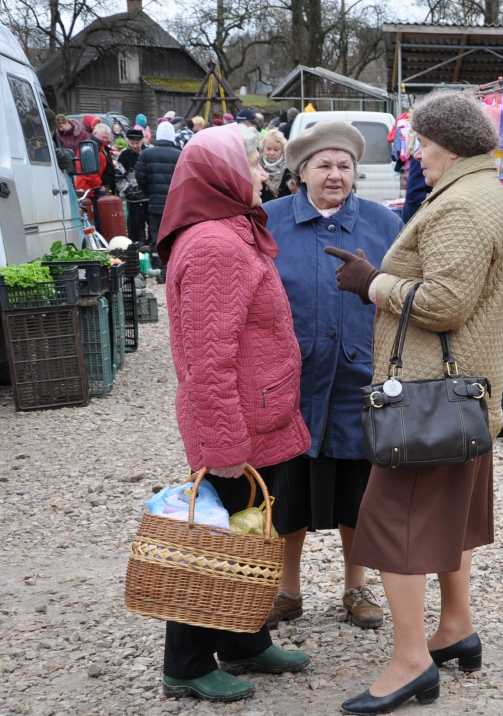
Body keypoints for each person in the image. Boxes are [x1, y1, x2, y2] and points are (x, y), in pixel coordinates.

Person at [326, 89, 503, 715]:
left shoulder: (462, 204)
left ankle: (411, 662)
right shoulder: (479, 191)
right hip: (459, 400)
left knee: (393, 524)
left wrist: (372, 283)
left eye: (424, 144)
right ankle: (455, 627)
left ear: (451, 146)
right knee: (449, 519)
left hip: (428, 403)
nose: (416, 155)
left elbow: (445, 303)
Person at [156, 123, 312, 704]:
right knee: (214, 545)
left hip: (258, 419)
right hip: (238, 429)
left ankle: (245, 640)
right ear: (222, 174)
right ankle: (187, 664)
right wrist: (223, 447)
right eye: (254, 165)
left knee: (247, 537)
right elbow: (207, 361)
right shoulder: (214, 246)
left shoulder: (230, 233)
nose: (265, 175)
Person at [263, 121, 403, 633]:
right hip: (291, 380)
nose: (335, 174)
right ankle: (287, 589)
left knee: (357, 492)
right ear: (301, 173)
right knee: (287, 489)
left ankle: (355, 586)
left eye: (345, 165)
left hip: (356, 379)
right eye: (323, 164)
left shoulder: (383, 223)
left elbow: (402, 290)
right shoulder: (270, 221)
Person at [136, 122, 182, 280]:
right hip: (175, 205)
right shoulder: (180, 154)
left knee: (157, 237)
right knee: (175, 237)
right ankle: (175, 271)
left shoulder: (146, 154)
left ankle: (161, 271)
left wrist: (150, 193)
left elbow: (140, 177)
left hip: (155, 203)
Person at [75, 122, 117, 234]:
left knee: (99, 217)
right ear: (95, 133)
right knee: (95, 218)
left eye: (107, 138)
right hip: (89, 189)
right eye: (103, 137)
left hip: (94, 187)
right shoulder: (88, 148)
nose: (105, 140)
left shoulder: (100, 146)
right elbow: (89, 173)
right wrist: (99, 186)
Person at [116, 128, 149, 243]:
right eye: (132, 143)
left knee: (151, 223)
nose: (135, 146)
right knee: (134, 224)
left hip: (149, 196)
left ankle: (151, 245)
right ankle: (136, 245)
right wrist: (128, 190)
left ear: (142, 141)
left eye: (137, 143)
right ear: (128, 142)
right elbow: (119, 176)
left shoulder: (149, 152)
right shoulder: (124, 155)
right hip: (133, 198)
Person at [258, 129, 290, 204]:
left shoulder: (288, 165)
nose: (272, 153)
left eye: (276, 150)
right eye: (268, 149)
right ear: (263, 147)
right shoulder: (256, 162)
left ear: (282, 150)